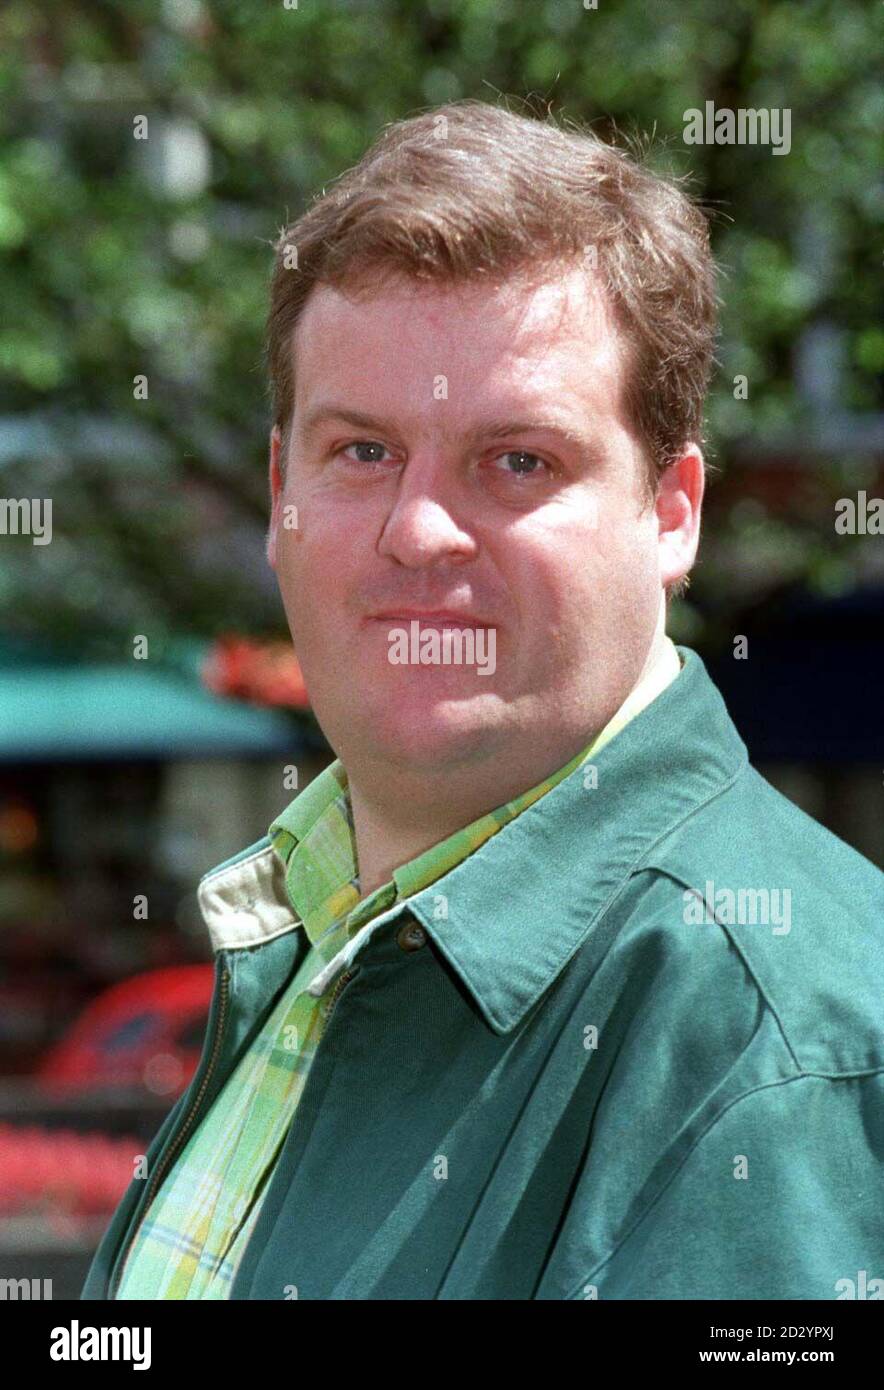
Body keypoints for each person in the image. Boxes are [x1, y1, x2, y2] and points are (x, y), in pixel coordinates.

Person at [84, 98, 884, 1301]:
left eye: (518, 461)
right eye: (361, 452)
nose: (417, 531)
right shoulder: (312, 929)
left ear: (669, 513)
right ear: (277, 491)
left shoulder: (767, 1042)